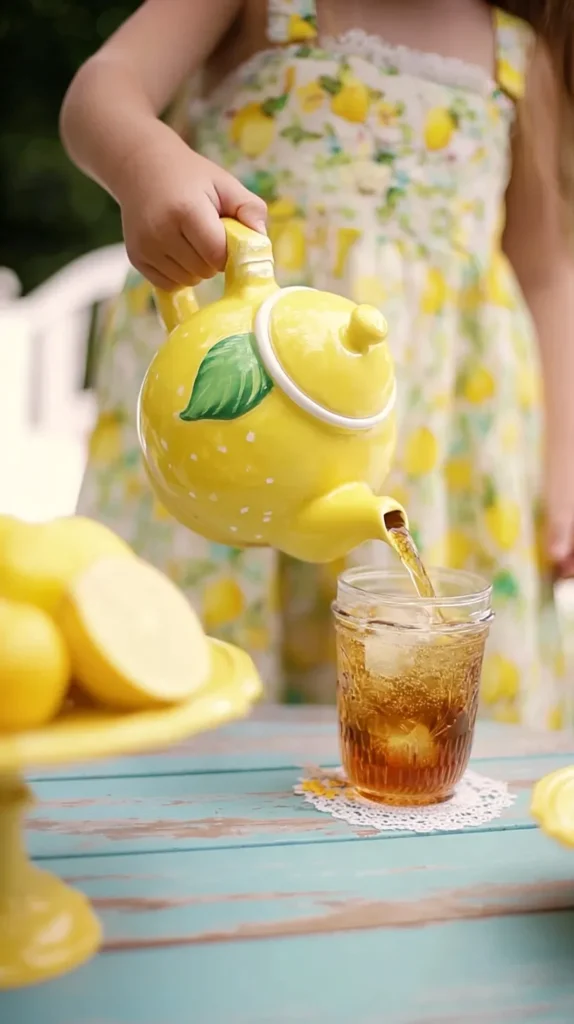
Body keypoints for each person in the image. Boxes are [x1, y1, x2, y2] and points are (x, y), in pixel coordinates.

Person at [60, 0, 574, 724]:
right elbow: (103, 88)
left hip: (448, 428)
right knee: (192, 662)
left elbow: (545, 269)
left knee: (415, 690)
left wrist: (563, 467)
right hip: (244, 400)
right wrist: (147, 161)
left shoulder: (519, 56)